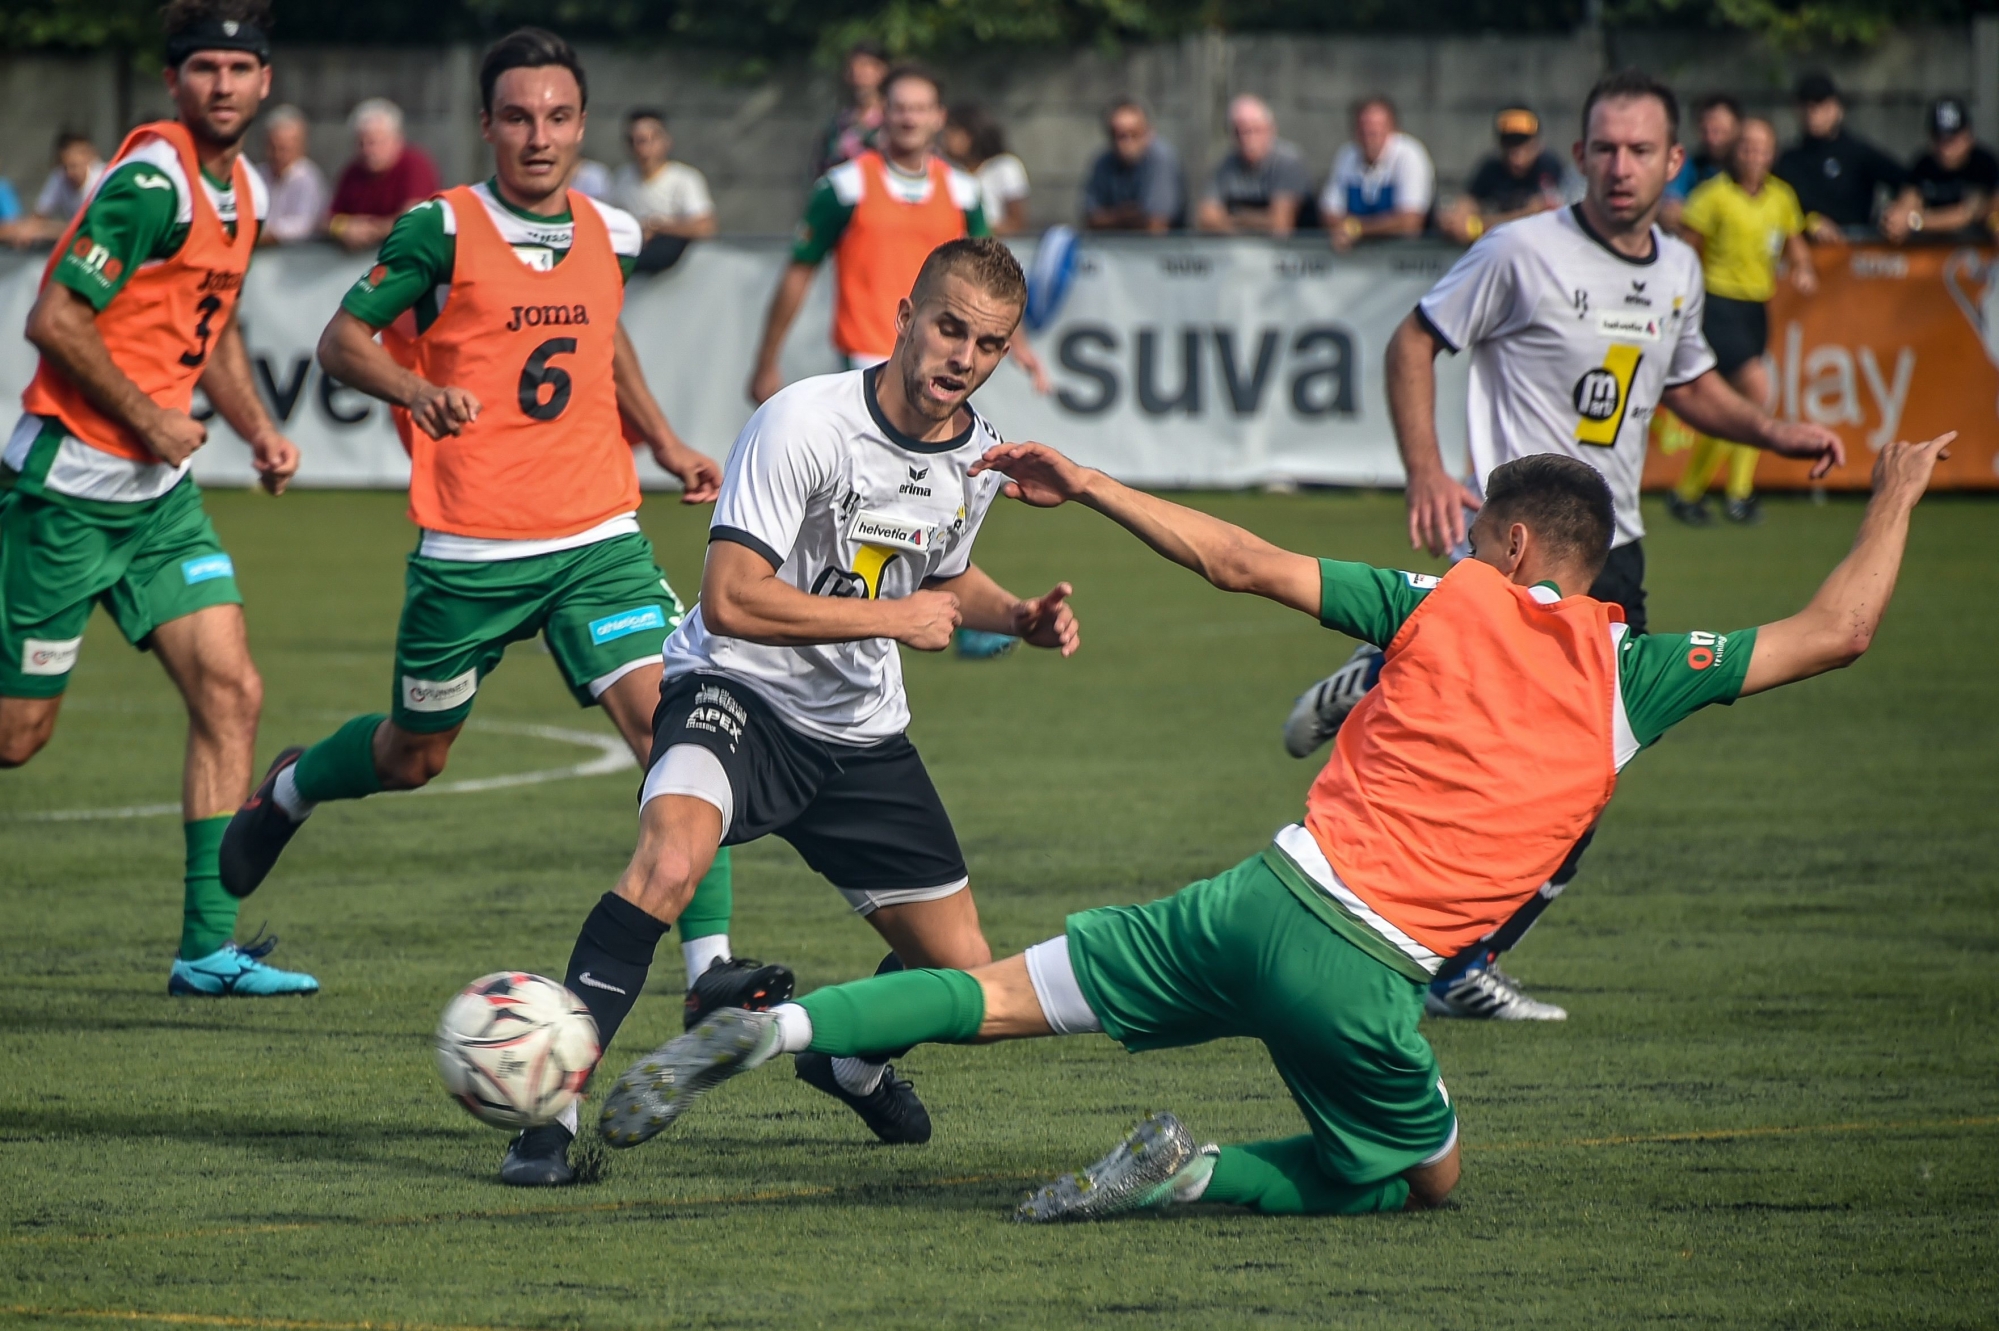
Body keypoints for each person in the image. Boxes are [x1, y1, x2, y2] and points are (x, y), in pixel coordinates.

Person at [598, 430, 1955, 1221]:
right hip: (1366, 979)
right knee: (1422, 1177)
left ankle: (768, 1026)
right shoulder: (1638, 670)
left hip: (1247, 899)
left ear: (1511, 546)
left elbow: (1239, 558)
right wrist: (1892, 488)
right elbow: (1836, 630)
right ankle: (1182, 1176)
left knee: (990, 992)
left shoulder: (1437, 597)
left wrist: (1095, 484)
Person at [216, 30, 739, 1109]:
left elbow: (603, 344)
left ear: (580, 124)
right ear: (487, 125)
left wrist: (667, 440)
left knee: (679, 733)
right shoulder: (442, 228)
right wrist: (416, 393)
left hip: (598, 536)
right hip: (471, 549)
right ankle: (295, 784)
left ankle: (710, 975)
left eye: (555, 117)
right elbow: (340, 340)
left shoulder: (611, 229)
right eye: (516, 117)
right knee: (416, 757)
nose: (537, 135)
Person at [1280, 69, 1845, 1022]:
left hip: (1610, 553)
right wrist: (1426, 470)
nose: (1618, 168)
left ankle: (1458, 941)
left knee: (1581, 786)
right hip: (1511, 547)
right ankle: (1387, 718)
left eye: (1639, 151)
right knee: (1463, 758)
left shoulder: (1677, 269)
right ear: (1577, 154)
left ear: (1675, 160)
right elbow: (1413, 342)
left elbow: (1689, 385)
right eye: (1602, 149)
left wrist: (1773, 432)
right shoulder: (1517, 253)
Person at [568, 237, 1079, 1184]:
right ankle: (548, 1118)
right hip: (732, 690)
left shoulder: (977, 455)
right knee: (669, 859)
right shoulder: (801, 420)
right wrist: (895, 615)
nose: (961, 357)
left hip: (858, 736)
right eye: (949, 327)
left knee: (966, 980)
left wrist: (1016, 616)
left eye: (988, 343)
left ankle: (846, 1057)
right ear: (905, 317)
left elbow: (947, 576)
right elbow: (730, 597)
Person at [0, 0, 312, 998]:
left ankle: (206, 949)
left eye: (240, 67)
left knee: (233, 689)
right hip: (67, 495)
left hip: (158, 503)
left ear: (266, 81)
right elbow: (54, 318)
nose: (223, 84)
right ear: (175, 82)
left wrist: (257, 426)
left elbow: (210, 328)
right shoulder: (148, 182)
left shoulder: (248, 189)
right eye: (204, 68)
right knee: (17, 737)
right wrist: (149, 417)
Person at [748, 65, 1043, 403]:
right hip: (866, 360)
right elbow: (799, 272)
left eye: (920, 109)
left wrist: (1019, 345)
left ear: (938, 116)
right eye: (900, 108)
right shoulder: (845, 187)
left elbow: (991, 279)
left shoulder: (964, 192)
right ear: (882, 113)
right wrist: (767, 361)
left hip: (939, 360)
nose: (909, 118)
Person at [1670, 118, 1816, 527]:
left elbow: (1795, 241)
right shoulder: (1713, 196)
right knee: (1757, 389)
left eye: (1762, 148)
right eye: (1747, 147)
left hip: (1756, 305)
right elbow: (1687, 250)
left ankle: (1689, 492)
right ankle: (1738, 493)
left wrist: (1803, 268)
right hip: (1718, 302)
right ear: (1735, 151)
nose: (1754, 155)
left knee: (1735, 405)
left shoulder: (1780, 197)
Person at [1774, 73, 1906, 243]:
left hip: (1855, 249)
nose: (1812, 112)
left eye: (1820, 105)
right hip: (1804, 248)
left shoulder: (1858, 153)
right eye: (1806, 105)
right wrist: (1810, 221)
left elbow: (1909, 182)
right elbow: (1773, 203)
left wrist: (1902, 210)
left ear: (1837, 109)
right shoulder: (1788, 161)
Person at [1439, 107, 1569, 245]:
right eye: (1509, 148)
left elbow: (1535, 218)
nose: (1516, 159)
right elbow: (1470, 200)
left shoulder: (1549, 167)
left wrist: (1477, 227)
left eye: (1523, 148)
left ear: (1537, 145)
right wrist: (1454, 218)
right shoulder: (1492, 167)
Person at [1320, 96, 1433, 251]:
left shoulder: (1410, 155)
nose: (1369, 138)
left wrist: (1356, 229)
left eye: (1375, 131)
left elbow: (1410, 222)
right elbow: (1329, 213)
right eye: (1363, 130)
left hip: (1406, 260)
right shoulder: (1346, 155)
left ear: (1393, 130)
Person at [327, 98, 439, 253]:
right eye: (361, 143)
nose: (367, 150)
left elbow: (414, 217)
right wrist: (344, 228)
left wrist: (371, 230)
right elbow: (327, 219)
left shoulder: (415, 164)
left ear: (397, 141)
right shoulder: (353, 172)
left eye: (373, 142)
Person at [1883, 97, 1998, 244]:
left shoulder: (1983, 164)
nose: (1945, 150)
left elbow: (1967, 214)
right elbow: (1909, 198)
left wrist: (1916, 222)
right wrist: (1895, 218)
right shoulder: (1924, 165)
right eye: (1939, 139)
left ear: (1968, 137)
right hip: (1931, 254)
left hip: (1976, 254)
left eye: (1952, 140)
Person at [1195, 95, 1312, 238]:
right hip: (1236, 252)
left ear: (1271, 129)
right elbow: (1205, 219)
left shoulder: (1288, 162)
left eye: (1255, 130)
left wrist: (1236, 216)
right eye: (1240, 132)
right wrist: (1259, 221)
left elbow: (1280, 225)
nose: (1247, 139)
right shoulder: (1225, 165)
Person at [1079, 98, 1184, 233]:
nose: (1126, 143)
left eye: (1134, 134)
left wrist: (1112, 218)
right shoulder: (1103, 162)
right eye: (1120, 136)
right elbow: (1090, 219)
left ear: (1148, 133)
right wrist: (1127, 216)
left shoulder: (1161, 159)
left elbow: (1157, 225)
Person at [611, 109, 715, 240]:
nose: (643, 149)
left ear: (666, 141)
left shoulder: (685, 179)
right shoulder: (621, 178)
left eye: (651, 139)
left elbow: (706, 227)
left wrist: (658, 227)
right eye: (635, 141)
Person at [1, 133, 106, 248]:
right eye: (65, 167)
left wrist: (50, 229)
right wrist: (27, 230)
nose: (70, 172)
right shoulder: (59, 177)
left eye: (74, 166)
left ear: (89, 160)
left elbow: (95, 228)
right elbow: (39, 216)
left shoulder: (105, 178)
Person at [944, 102, 1029, 237]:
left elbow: (1016, 223)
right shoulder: (947, 170)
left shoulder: (1005, 167)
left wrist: (978, 230)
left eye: (952, 132)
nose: (946, 139)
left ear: (970, 135)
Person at [1661, 93, 1741, 228]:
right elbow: (1669, 211)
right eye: (1705, 131)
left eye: (1718, 131)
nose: (1711, 139)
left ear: (1737, 129)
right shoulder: (1690, 166)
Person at [811, 41, 888, 180]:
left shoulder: (893, 120)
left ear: (882, 71)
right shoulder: (838, 125)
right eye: (853, 66)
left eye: (865, 65)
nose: (857, 72)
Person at [256, 103, 327, 244]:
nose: (277, 155)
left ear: (300, 146)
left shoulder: (309, 179)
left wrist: (268, 233)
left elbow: (304, 224)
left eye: (284, 148)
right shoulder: (257, 175)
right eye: (273, 147)